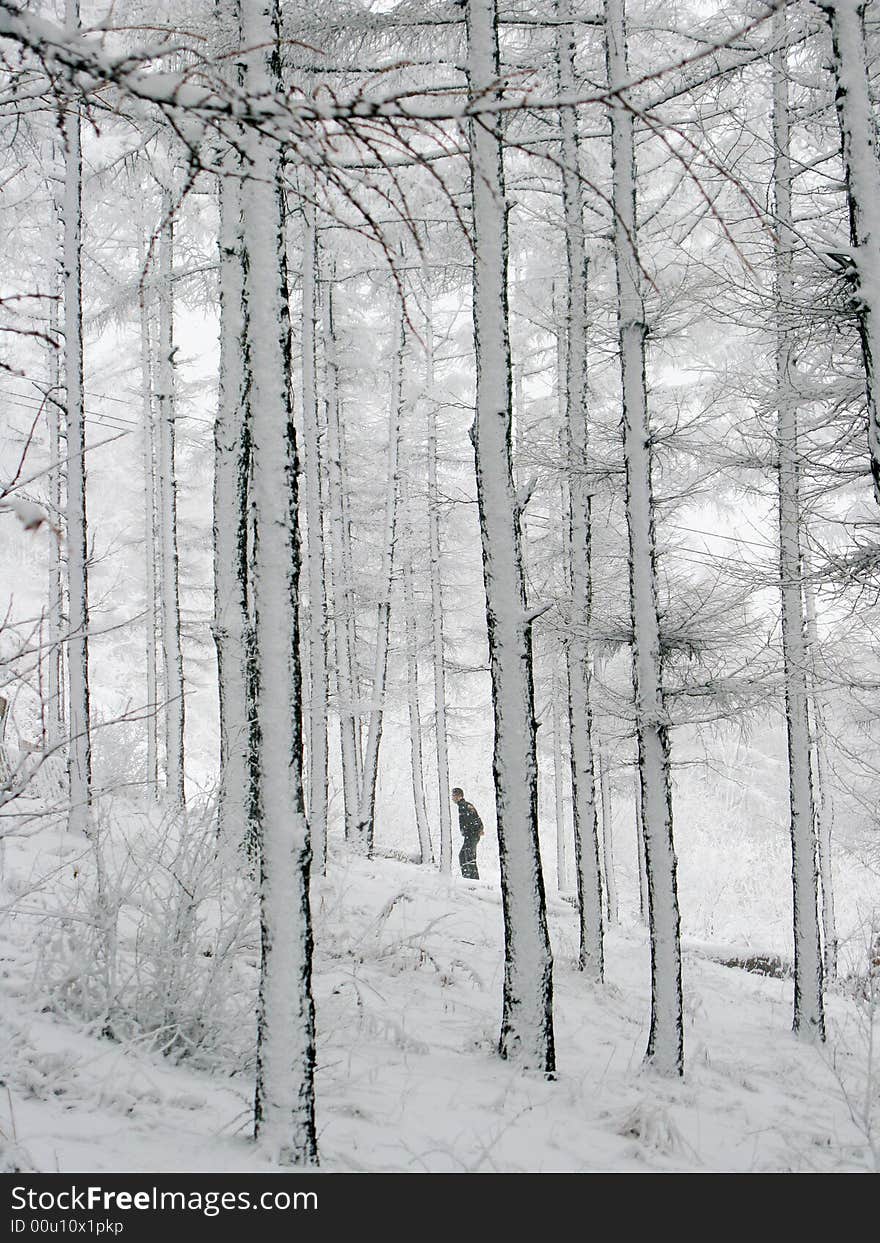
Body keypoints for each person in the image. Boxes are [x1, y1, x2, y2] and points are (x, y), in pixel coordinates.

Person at [452, 787, 483, 879]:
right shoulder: (466, 805)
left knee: (465, 857)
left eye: (454, 795)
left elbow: (472, 819)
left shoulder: (463, 806)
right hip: (472, 835)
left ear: (459, 796)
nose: (452, 798)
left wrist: (475, 830)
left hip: (472, 835)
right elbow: (476, 818)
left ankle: (470, 879)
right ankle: (472, 878)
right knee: (468, 856)